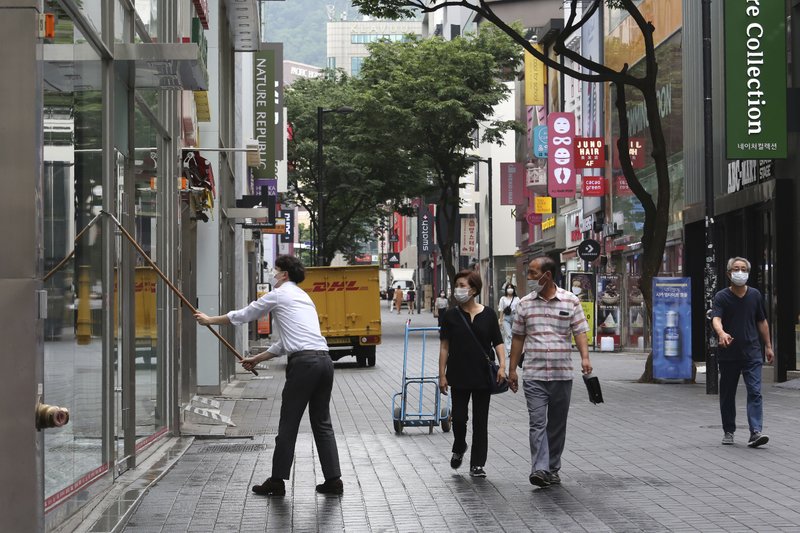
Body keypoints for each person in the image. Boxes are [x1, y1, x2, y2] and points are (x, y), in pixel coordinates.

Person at [194, 255, 343, 496]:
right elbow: (286, 344)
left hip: (304, 365)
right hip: (324, 361)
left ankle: (277, 481)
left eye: (276, 271)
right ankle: (334, 479)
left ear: (284, 275)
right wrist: (256, 358)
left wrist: (210, 320)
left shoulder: (279, 294)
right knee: (322, 422)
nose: (273, 274)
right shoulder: (304, 298)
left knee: (289, 423)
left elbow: (245, 314)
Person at [508, 256, 592, 488]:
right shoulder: (524, 304)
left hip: (561, 374)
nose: (530, 277)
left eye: (534, 273)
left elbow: (580, 332)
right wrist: (512, 369)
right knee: (537, 423)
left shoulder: (570, 301)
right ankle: (540, 468)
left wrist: (585, 357)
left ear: (548, 275)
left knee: (556, 424)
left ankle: (552, 468)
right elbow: (517, 338)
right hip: (534, 374)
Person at [438, 270, 506, 478]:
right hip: (458, 374)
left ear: (474, 290)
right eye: (456, 285)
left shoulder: (488, 315)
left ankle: (477, 464)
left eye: (462, 285)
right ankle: (459, 446)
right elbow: (444, 347)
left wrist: (503, 365)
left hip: (483, 375)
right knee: (458, 419)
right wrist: (442, 374)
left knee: (480, 421)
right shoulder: (450, 316)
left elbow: (498, 342)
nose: (458, 289)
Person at [711, 256, 774, 448]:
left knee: (755, 391)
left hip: (752, 352)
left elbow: (761, 321)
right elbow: (716, 319)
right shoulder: (721, 296)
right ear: (729, 273)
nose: (740, 272)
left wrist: (768, 346)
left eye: (743, 269)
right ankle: (728, 430)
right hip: (729, 353)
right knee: (727, 393)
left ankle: (756, 432)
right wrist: (721, 333)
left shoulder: (755, 295)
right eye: (736, 269)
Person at [497, 284, 519, 353]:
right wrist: (500, 321)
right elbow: (501, 310)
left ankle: (514, 349)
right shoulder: (503, 299)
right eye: (508, 288)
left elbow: (519, 309)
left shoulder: (517, 299)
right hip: (506, 318)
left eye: (511, 288)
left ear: (513, 289)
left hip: (515, 317)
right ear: (506, 289)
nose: (510, 289)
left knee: (514, 334)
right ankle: (510, 351)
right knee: (508, 334)